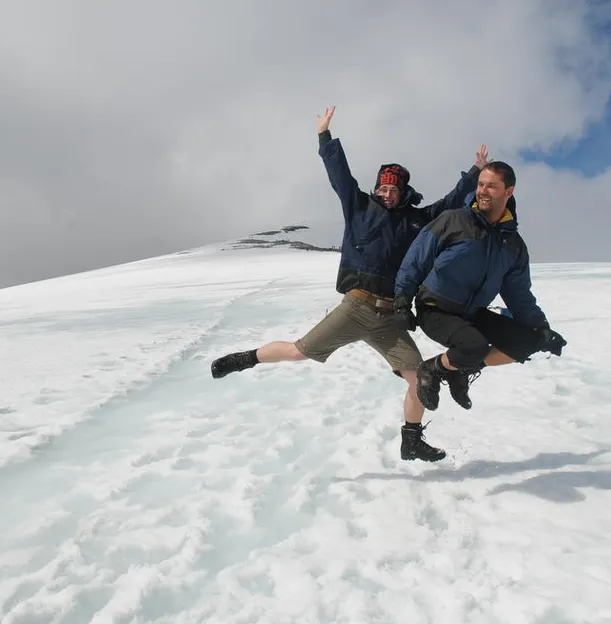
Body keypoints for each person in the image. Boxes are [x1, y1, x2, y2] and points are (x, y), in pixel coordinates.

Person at [210, 105, 489, 462]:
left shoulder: (417, 220)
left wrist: (475, 173)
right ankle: (244, 359)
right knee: (298, 351)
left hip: (390, 319)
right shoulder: (359, 207)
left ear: (404, 192)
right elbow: (340, 175)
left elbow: (450, 205)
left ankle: (411, 439)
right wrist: (325, 136)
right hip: (355, 308)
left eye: (393, 189)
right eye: (382, 187)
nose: (387, 193)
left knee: (420, 378)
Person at [393, 160, 567, 421]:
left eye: (492, 186)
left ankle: (459, 369)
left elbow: (518, 294)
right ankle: (431, 369)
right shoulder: (453, 220)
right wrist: (402, 300)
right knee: (473, 346)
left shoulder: (513, 245)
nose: (483, 191)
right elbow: (416, 259)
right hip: (435, 308)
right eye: (480, 184)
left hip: (472, 313)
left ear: (509, 192)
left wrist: (541, 327)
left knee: (527, 342)